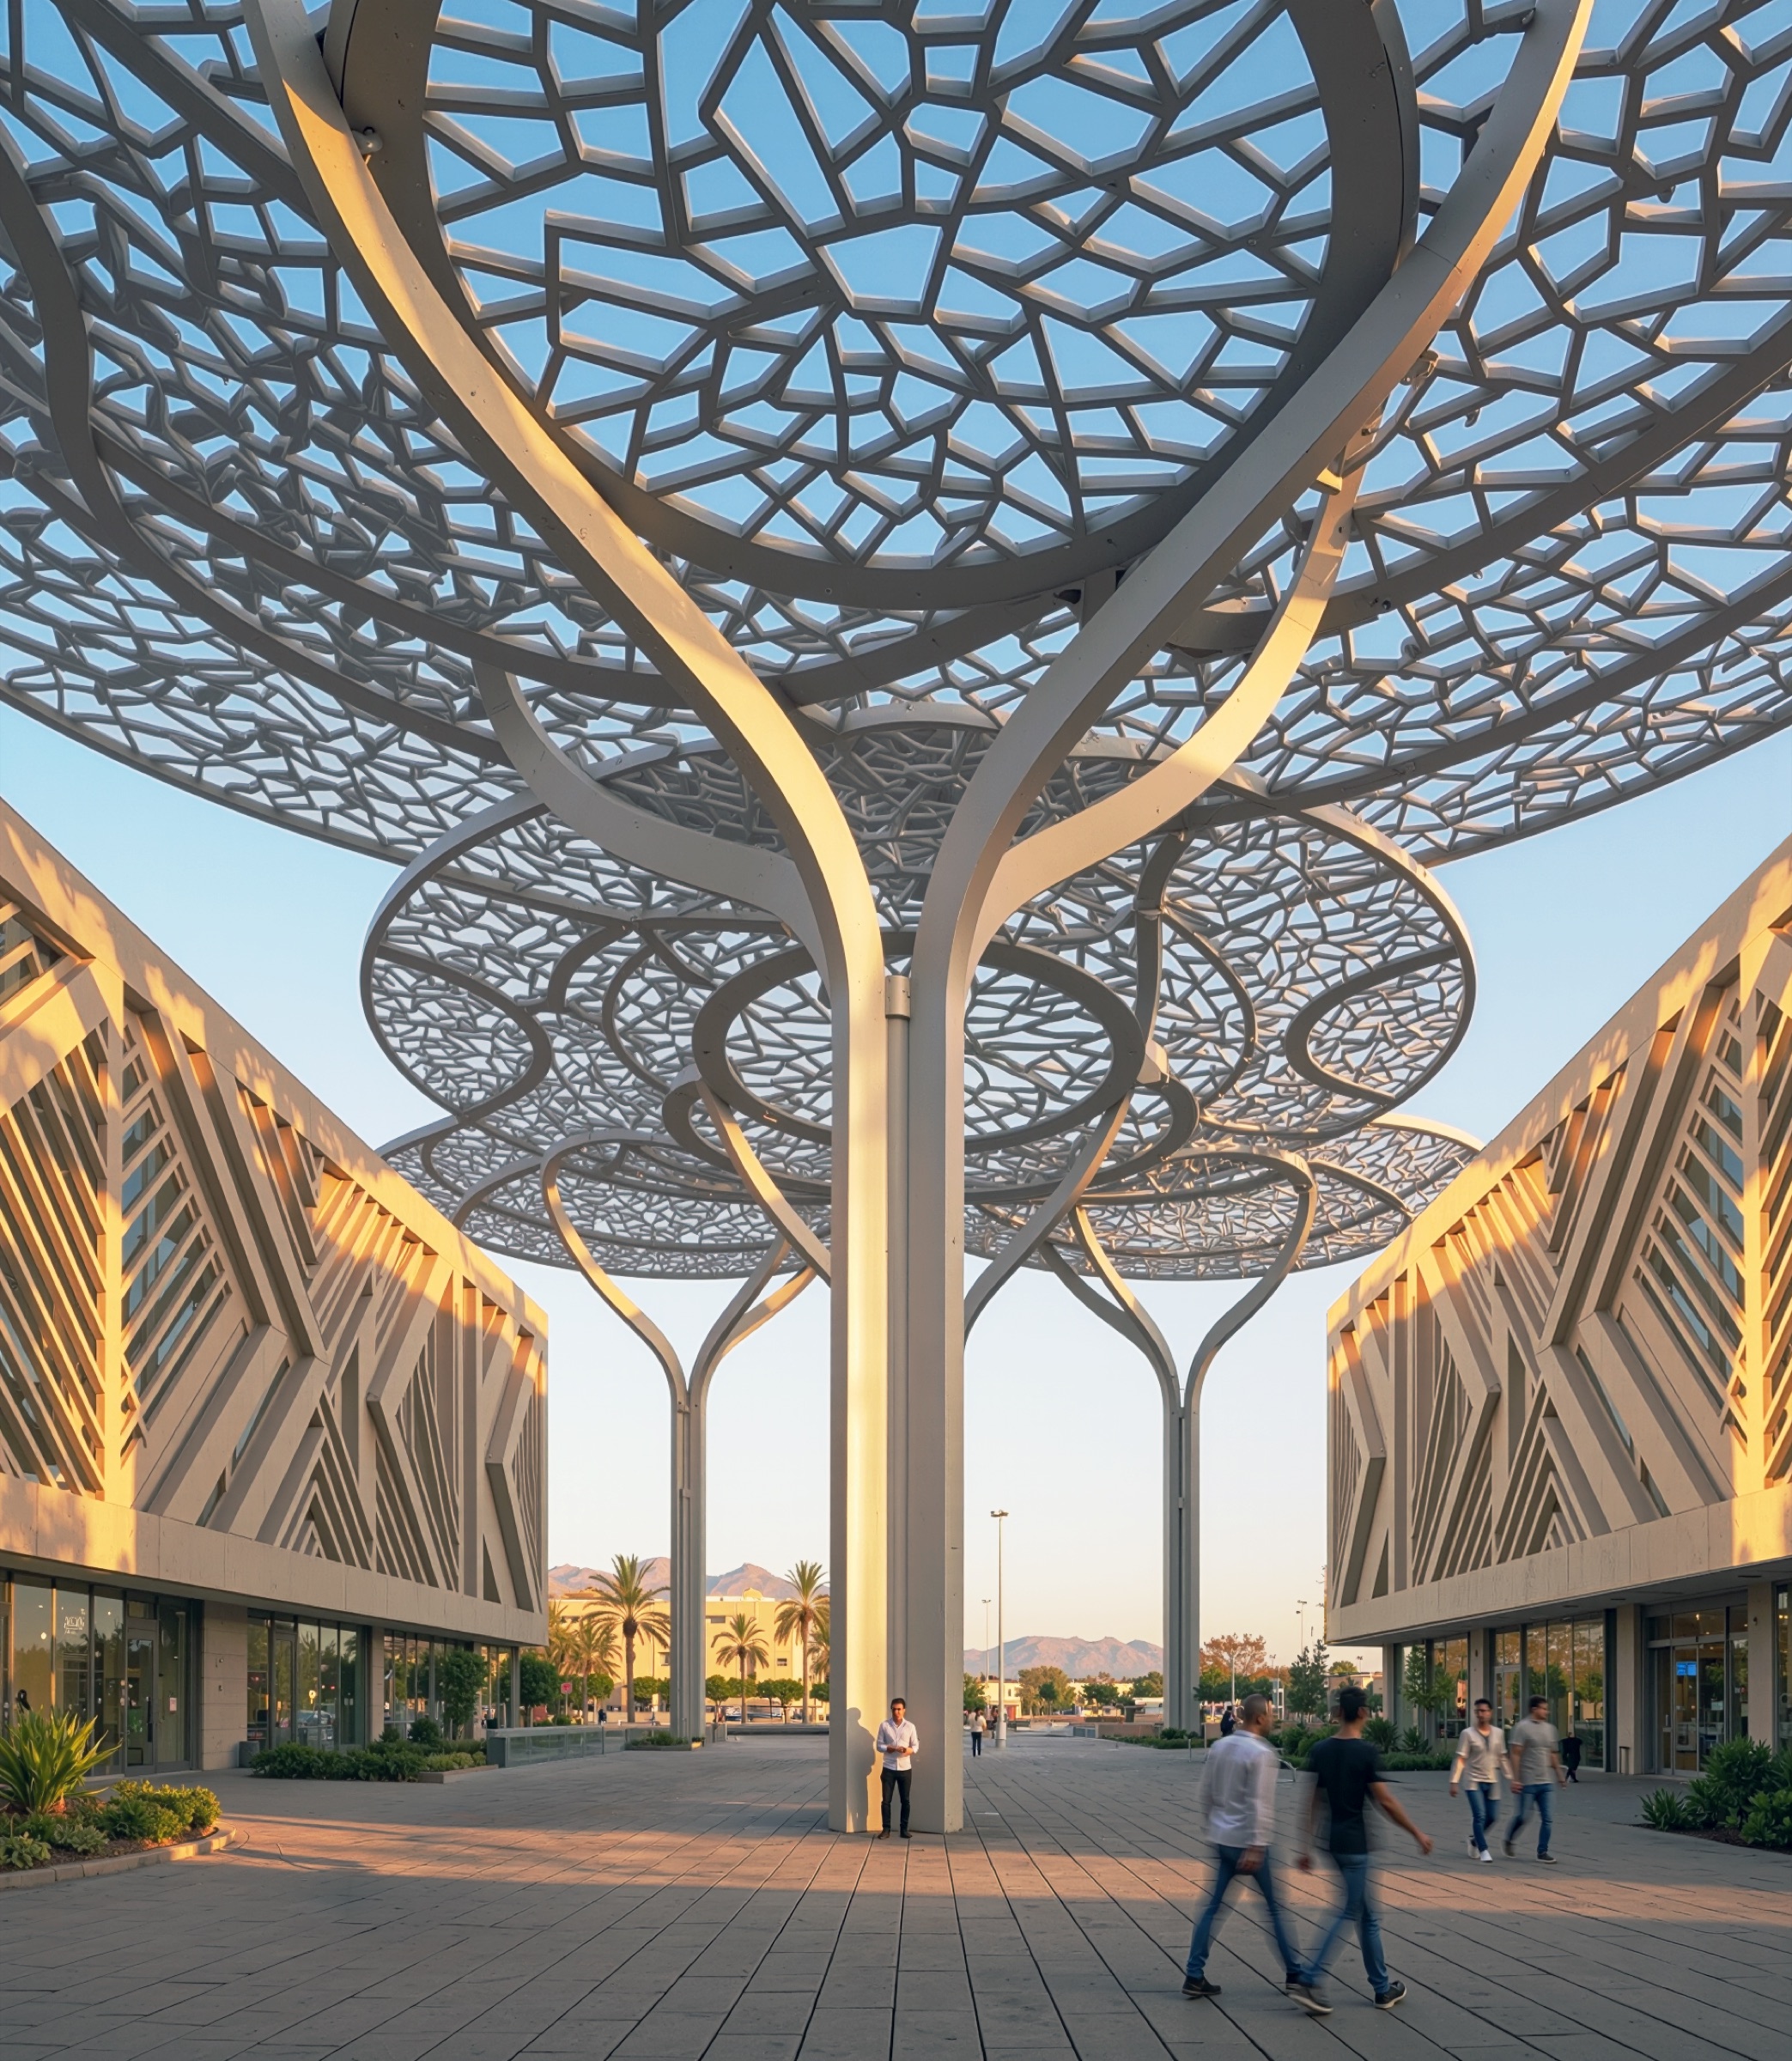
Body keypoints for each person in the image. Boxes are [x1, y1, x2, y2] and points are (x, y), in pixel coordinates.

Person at [1291, 1684, 1432, 2015]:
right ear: (1364, 1713)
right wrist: (1417, 1833)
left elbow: (1311, 1804)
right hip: (1358, 1847)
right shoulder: (1366, 1752)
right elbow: (1385, 1800)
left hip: (1333, 1844)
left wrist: (1305, 1847)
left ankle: (1382, 1988)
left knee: (1367, 1916)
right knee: (1348, 1912)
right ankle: (1310, 1979)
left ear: (1339, 1712)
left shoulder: (1321, 1750)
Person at [1182, 1693, 1304, 2001]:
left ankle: (1194, 1975)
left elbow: (1205, 1793)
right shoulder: (1261, 1753)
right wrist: (1256, 1845)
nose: (1273, 1718)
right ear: (1260, 1717)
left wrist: (1212, 1826)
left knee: (1211, 1908)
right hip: (1249, 1842)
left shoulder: (1220, 1747)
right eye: (1271, 1714)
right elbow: (1259, 1803)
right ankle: (1295, 1974)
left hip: (1222, 1839)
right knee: (1275, 1909)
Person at [1504, 1696, 1564, 1862]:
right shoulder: (1522, 1728)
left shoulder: (1550, 1729)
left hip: (1546, 1782)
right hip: (1527, 1781)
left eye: (1546, 1708)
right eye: (1543, 1708)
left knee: (1548, 1818)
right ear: (1534, 1709)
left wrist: (1559, 1775)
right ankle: (1509, 1839)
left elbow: (1552, 1753)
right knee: (1523, 1816)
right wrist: (1515, 1779)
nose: (1546, 1711)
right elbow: (1515, 1754)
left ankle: (1542, 1851)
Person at [1449, 1699, 1505, 1862]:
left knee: (1493, 1817)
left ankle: (1474, 1840)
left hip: (1492, 1779)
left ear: (1490, 1712)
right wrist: (1454, 1781)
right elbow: (1461, 1758)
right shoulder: (1467, 1734)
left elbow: (1502, 1757)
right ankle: (1483, 1850)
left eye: (1484, 1711)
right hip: (1473, 1780)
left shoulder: (1498, 1733)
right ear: (1475, 1713)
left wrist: (1512, 1778)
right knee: (1479, 1815)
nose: (1481, 1714)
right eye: (1478, 1711)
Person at [875, 1696, 919, 1839]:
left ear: (904, 1710)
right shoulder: (884, 1725)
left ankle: (904, 1829)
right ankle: (886, 1829)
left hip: (905, 1768)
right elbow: (879, 1745)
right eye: (894, 1709)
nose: (896, 1712)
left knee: (905, 1800)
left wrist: (906, 1750)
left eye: (899, 1709)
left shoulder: (910, 1726)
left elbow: (915, 1746)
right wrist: (889, 1748)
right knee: (886, 1800)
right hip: (888, 1767)